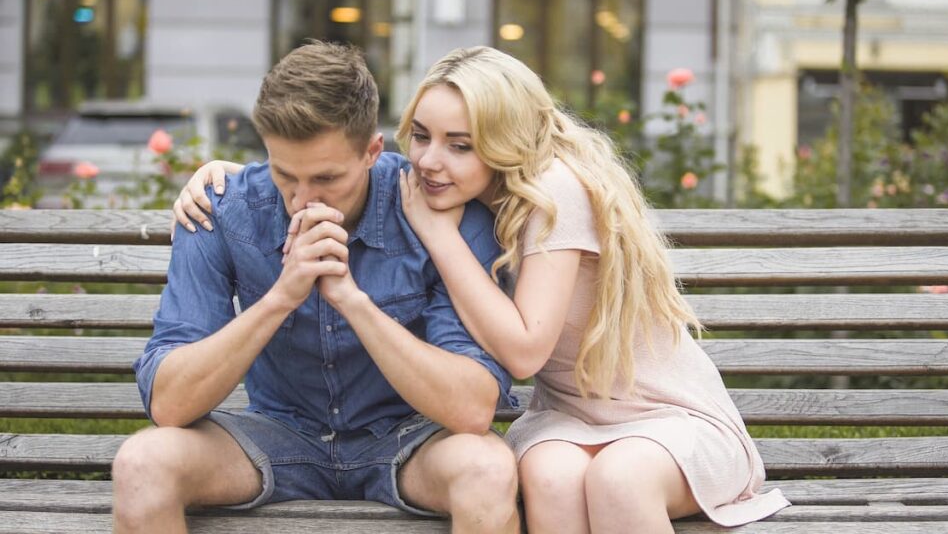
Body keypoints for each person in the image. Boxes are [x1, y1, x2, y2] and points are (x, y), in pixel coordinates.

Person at [176, 46, 790, 532]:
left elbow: (523, 354)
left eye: (460, 144)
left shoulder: (555, 193)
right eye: (421, 136)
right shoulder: (477, 200)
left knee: (620, 484)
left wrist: (435, 235)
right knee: (546, 479)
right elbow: (322, 171)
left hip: (665, 416)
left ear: (504, 140)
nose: (430, 161)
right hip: (572, 418)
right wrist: (234, 174)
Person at [113, 41, 520, 534]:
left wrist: (352, 300)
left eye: (327, 178)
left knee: (488, 469)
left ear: (373, 151)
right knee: (142, 464)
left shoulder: (437, 209)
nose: (303, 199)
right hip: (277, 434)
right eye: (286, 174)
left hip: (408, 438)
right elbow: (169, 404)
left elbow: (474, 407)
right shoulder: (223, 209)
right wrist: (281, 296)